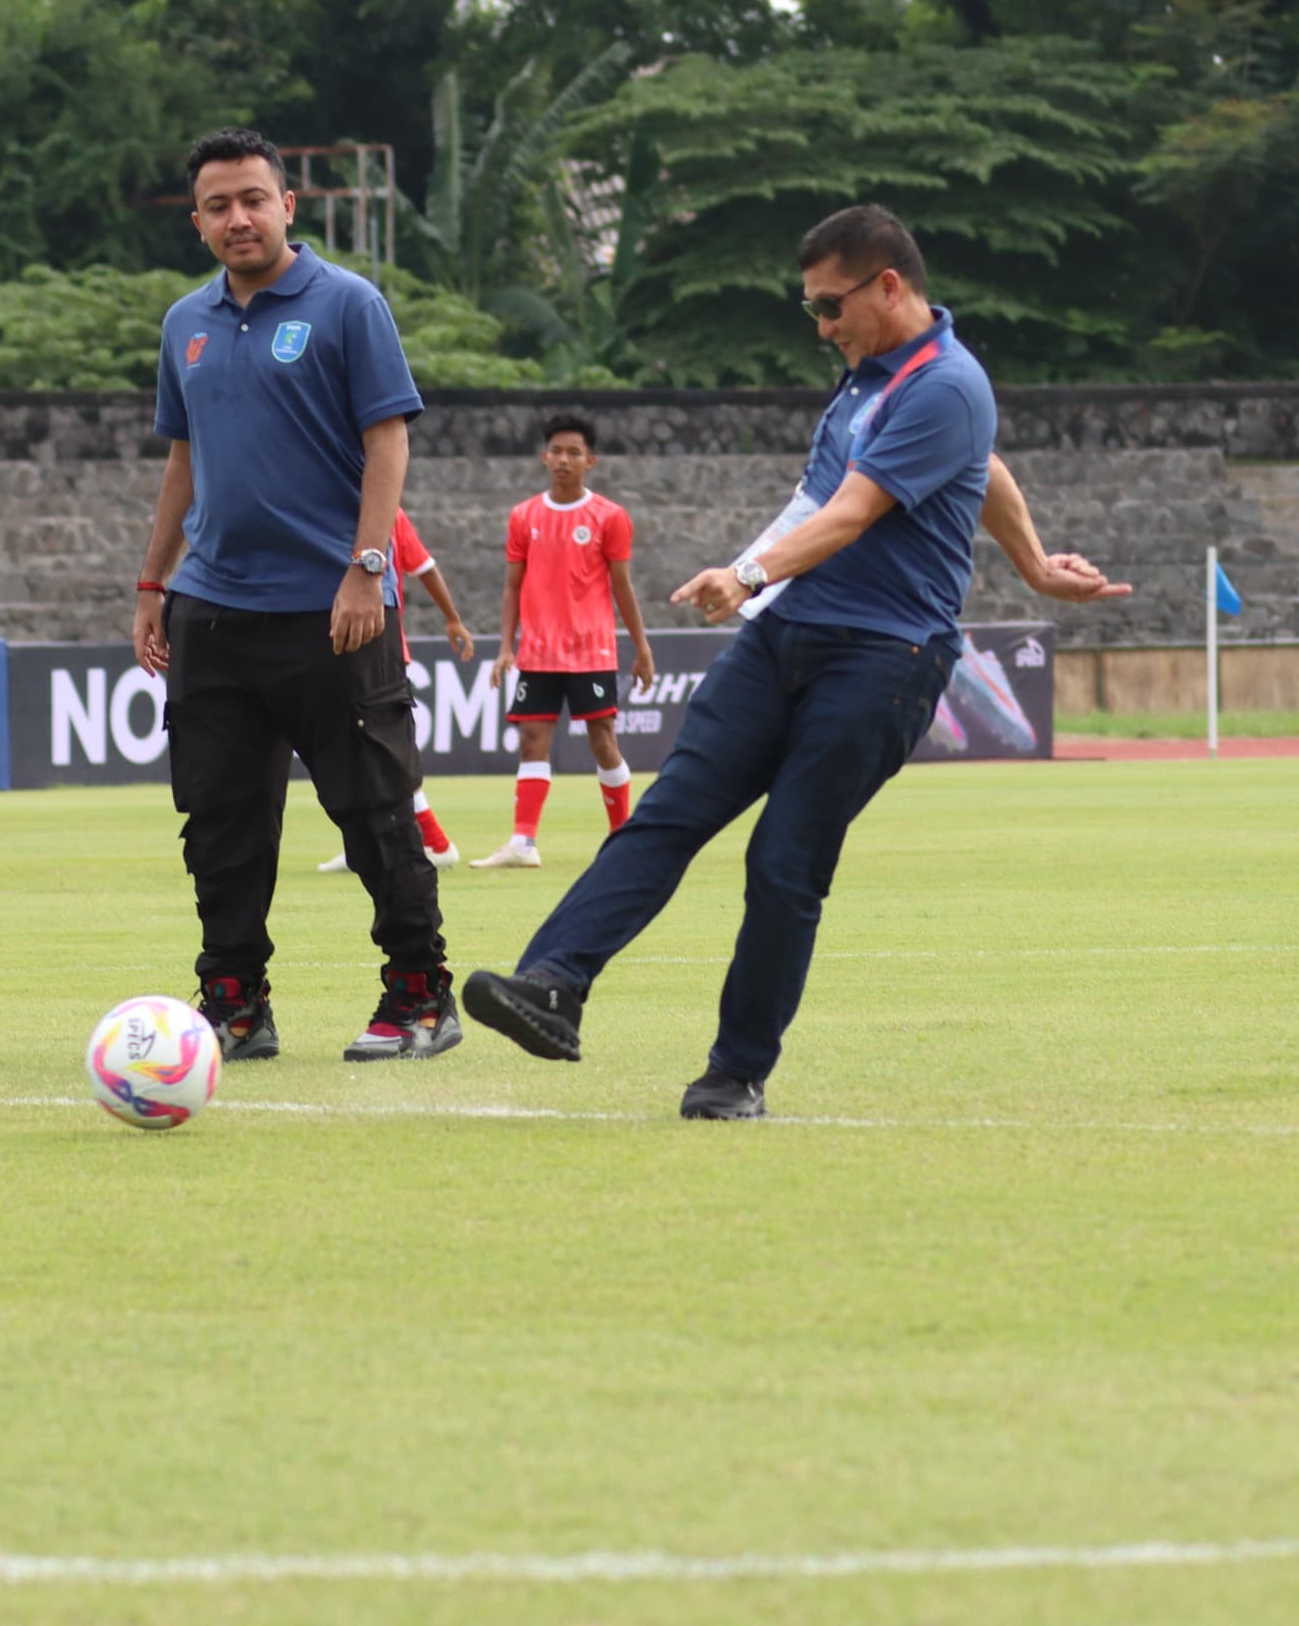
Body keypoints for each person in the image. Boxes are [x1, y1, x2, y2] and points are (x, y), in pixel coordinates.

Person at [459, 205, 1125, 1117]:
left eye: (828, 306)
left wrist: (748, 573)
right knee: (668, 815)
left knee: (784, 861)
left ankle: (735, 1074)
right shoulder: (866, 380)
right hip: (784, 637)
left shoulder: (946, 383)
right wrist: (1033, 562)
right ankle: (552, 985)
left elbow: (853, 512)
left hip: (885, 659)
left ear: (888, 285)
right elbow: (967, 472)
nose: (819, 327)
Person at [132, 127, 455, 1063]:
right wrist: (153, 584)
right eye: (219, 206)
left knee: (375, 814)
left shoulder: (349, 304)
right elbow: (182, 464)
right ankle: (234, 1005)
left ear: (289, 206)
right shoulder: (183, 324)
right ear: (198, 223)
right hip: (211, 611)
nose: (239, 217)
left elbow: (388, 441)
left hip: (334, 609)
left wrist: (365, 568)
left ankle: (419, 997)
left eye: (254, 199)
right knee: (220, 823)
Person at [477, 411, 658, 870]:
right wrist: (505, 647)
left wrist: (642, 648)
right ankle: (523, 843)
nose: (563, 459)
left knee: (602, 739)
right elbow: (512, 585)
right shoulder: (524, 516)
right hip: (537, 652)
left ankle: (624, 839)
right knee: (532, 740)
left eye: (573, 452)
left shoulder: (609, 517)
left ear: (590, 461)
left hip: (590, 650)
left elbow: (622, 587)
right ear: (544, 457)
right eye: (556, 451)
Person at [318, 508, 482, 874]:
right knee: (351, 754)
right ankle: (362, 846)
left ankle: (435, 843)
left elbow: (425, 567)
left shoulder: (386, 512)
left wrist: (454, 619)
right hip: (344, 647)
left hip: (375, 649)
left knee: (381, 754)